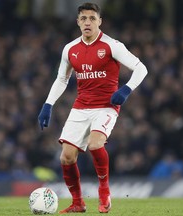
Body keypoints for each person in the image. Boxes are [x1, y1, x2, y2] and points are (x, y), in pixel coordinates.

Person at [38, 2, 148, 214]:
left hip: (106, 106)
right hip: (81, 107)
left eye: (92, 18)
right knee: (66, 157)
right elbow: (62, 79)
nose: (88, 22)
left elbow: (141, 68)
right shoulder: (70, 49)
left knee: (96, 144)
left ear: (100, 21)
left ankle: (104, 192)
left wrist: (125, 90)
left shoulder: (111, 45)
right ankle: (78, 203)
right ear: (78, 22)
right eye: (83, 19)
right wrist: (48, 104)